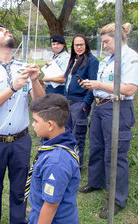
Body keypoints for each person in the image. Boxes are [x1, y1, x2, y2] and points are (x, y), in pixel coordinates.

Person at [0, 24, 45, 224]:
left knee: (19, 191)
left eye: (7, 30)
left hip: (20, 141)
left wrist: (35, 80)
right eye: (0, 31)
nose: (7, 31)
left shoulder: (24, 66)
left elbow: (40, 104)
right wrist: (13, 87)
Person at [79, 23, 138, 218]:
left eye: (107, 41)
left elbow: (129, 88)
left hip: (118, 108)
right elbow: (105, 84)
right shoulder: (108, 60)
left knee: (115, 154)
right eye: (103, 42)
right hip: (100, 106)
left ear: (119, 38)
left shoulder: (130, 58)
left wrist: (98, 84)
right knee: (96, 147)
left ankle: (117, 199)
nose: (104, 45)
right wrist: (92, 86)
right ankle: (96, 182)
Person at [27, 94, 80, 224]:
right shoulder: (61, 137)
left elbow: (50, 206)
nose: (32, 124)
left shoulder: (56, 162)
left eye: (35, 120)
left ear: (50, 125)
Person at [64, 34, 99, 170]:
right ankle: (69, 161)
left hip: (80, 103)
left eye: (81, 44)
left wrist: (85, 103)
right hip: (68, 102)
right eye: (76, 45)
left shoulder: (92, 61)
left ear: (86, 45)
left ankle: (77, 164)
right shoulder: (73, 60)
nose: (78, 47)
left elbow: (93, 84)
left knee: (77, 135)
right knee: (67, 133)